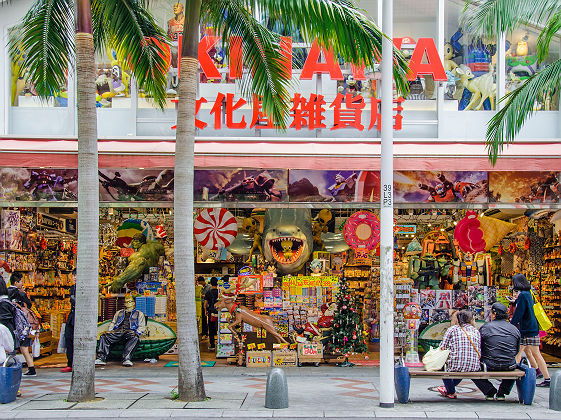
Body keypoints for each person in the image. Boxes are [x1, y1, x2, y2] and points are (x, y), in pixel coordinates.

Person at [510, 273, 551, 387]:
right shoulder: (529, 293)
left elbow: (520, 312)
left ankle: (510, 377)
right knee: (534, 353)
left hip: (526, 329)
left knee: (518, 353)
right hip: (532, 328)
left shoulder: (523, 295)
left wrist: (511, 324)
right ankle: (546, 377)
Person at [473, 302, 520, 400]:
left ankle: (489, 390)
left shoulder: (485, 327)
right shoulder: (514, 329)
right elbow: (516, 350)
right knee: (514, 364)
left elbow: (479, 347)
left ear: (494, 314)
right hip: (509, 365)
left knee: (472, 367)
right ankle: (502, 392)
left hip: (488, 365)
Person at [437, 310, 481, 399]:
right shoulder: (476, 331)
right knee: (461, 366)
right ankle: (448, 389)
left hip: (455, 366)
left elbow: (442, 347)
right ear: (471, 319)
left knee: (446, 369)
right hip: (474, 367)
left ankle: (451, 391)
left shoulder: (452, 329)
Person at [95, 294, 146, 367]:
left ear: (133, 303)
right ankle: (101, 358)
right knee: (104, 336)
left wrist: (137, 332)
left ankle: (126, 359)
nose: (128, 304)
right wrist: (110, 330)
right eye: (126, 302)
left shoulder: (139, 314)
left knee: (135, 338)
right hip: (118, 331)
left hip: (130, 331)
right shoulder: (119, 313)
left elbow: (142, 326)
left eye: (130, 301)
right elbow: (113, 322)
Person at [8, 272, 36, 376]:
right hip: (22, 323)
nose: (22, 283)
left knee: (16, 346)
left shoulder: (7, 292)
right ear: (16, 282)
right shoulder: (19, 293)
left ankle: (29, 368)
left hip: (12, 324)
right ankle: (31, 368)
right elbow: (29, 304)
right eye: (21, 281)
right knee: (24, 346)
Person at [61, 272, 76, 373]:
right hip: (72, 316)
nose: (74, 277)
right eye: (73, 275)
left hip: (79, 317)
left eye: (77, 275)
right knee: (68, 338)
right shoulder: (72, 288)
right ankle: (70, 363)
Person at [204, 277, 219, 351]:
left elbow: (205, 303)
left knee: (211, 328)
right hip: (220, 312)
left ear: (210, 283)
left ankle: (212, 345)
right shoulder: (220, 292)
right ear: (217, 283)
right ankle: (221, 342)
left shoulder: (208, 292)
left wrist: (205, 310)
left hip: (211, 312)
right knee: (220, 327)